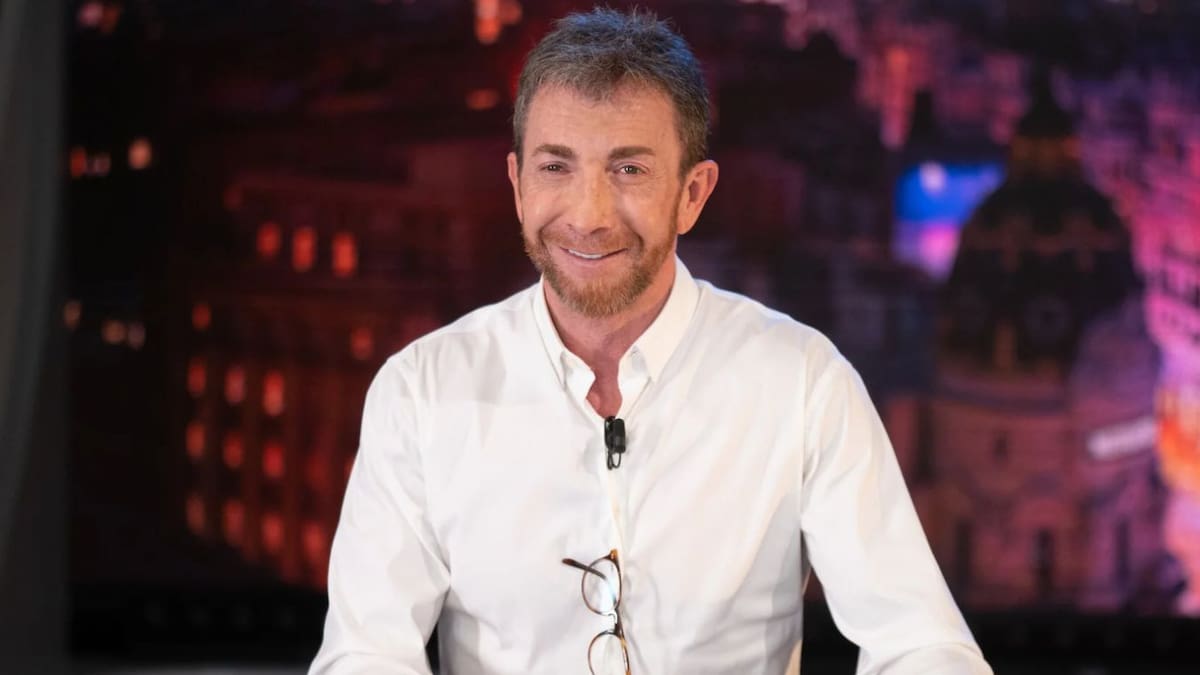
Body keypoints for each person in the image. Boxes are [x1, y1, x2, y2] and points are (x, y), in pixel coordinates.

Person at [310, 7, 992, 675]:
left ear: (693, 193)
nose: (588, 215)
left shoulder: (804, 382)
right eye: (556, 168)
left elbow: (921, 645)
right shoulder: (421, 391)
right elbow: (365, 654)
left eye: (629, 170)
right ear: (517, 186)